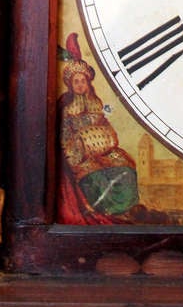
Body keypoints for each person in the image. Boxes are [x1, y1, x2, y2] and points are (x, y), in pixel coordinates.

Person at [58, 34, 140, 223]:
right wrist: (79, 148)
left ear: (88, 83)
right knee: (95, 177)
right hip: (81, 155)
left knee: (126, 168)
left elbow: (105, 122)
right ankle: (105, 210)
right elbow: (64, 135)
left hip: (103, 150)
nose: (80, 85)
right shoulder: (67, 107)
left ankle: (123, 208)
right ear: (71, 84)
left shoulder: (97, 103)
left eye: (83, 81)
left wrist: (108, 140)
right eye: (76, 81)